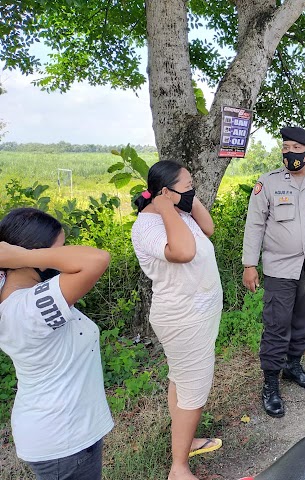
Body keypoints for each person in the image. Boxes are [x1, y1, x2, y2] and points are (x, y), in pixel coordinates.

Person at [0, 208, 113, 480]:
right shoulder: (27, 307)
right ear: (33, 254)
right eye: (59, 251)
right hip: (63, 438)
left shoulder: (24, 297)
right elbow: (97, 259)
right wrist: (23, 257)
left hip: (61, 431)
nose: (61, 259)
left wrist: (24, 257)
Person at [242, 126, 305, 418]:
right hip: (279, 268)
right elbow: (255, 225)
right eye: (285, 148)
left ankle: (293, 365)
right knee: (276, 325)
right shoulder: (269, 183)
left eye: (296, 149)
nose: (290, 153)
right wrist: (250, 264)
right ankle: (271, 382)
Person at [131, 161, 223, 480]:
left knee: (180, 381)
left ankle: (186, 441)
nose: (193, 190)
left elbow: (208, 228)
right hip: (184, 319)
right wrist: (164, 205)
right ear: (166, 193)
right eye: (188, 185)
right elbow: (183, 251)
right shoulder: (149, 226)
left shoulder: (180, 212)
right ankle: (178, 469)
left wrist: (185, 198)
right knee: (194, 390)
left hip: (197, 316)